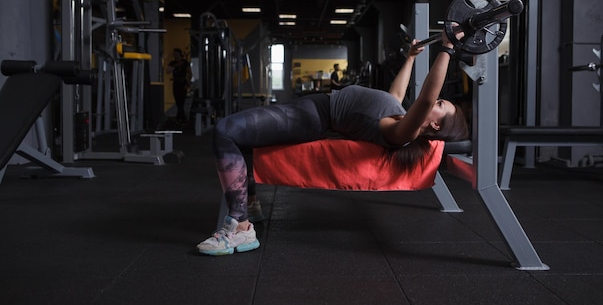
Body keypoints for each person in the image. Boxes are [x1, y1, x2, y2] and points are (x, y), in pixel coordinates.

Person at [197, 31, 469, 256]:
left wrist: (447, 49)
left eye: (441, 105)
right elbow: (396, 93)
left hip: (314, 116)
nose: (437, 101)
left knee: (226, 130)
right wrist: (410, 58)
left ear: (434, 124)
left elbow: (424, 99)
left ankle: (240, 229)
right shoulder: (399, 112)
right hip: (314, 107)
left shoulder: (403, 133)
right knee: (245, 138)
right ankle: (251, 203)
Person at [166, 48, 191, 123]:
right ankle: (181, 118)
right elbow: (168, 71)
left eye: (176, 54)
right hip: (176, 83)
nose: (175, 56)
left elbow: (189, 73)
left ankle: (180, 118)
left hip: (182, 83)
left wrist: (188, 83)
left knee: (181, 101)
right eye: (174, 54)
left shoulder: (185, 63)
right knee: (178, 101)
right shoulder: (173, 63)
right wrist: (176, 66)